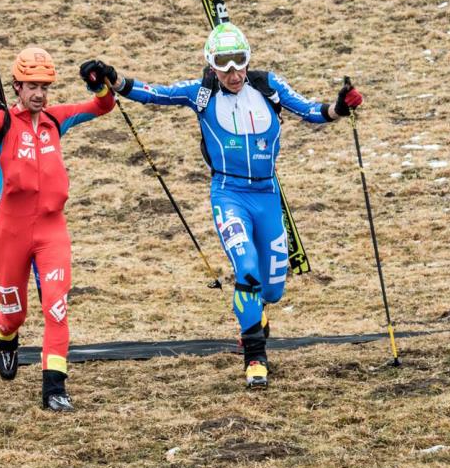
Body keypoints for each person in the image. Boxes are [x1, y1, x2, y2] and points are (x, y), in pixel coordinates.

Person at [81, 22, 362, 387]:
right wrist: (114, 80)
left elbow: (311, 112)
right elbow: (155, 94)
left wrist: (341, 107)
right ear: (212, 66)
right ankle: (255, 359)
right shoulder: (201, 93)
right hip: (229, 195)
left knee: (272, 290)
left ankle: (255, 321)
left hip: (266, 196)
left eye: (239, 63)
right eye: (224, 66)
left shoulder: (267, 85)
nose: (233, 74)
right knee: (246, 270)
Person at [0, 46, 115, 411]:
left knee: (57, 306)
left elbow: (103, 107)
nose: (39, 93)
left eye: (45, 85)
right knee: (14, 312)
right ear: (17, 87)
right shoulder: (2, 119)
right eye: (31, 86)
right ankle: (5, 337)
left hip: (52, 230)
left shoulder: (56, 120)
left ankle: (54, 387)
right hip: (12, 232)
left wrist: (100, 84)